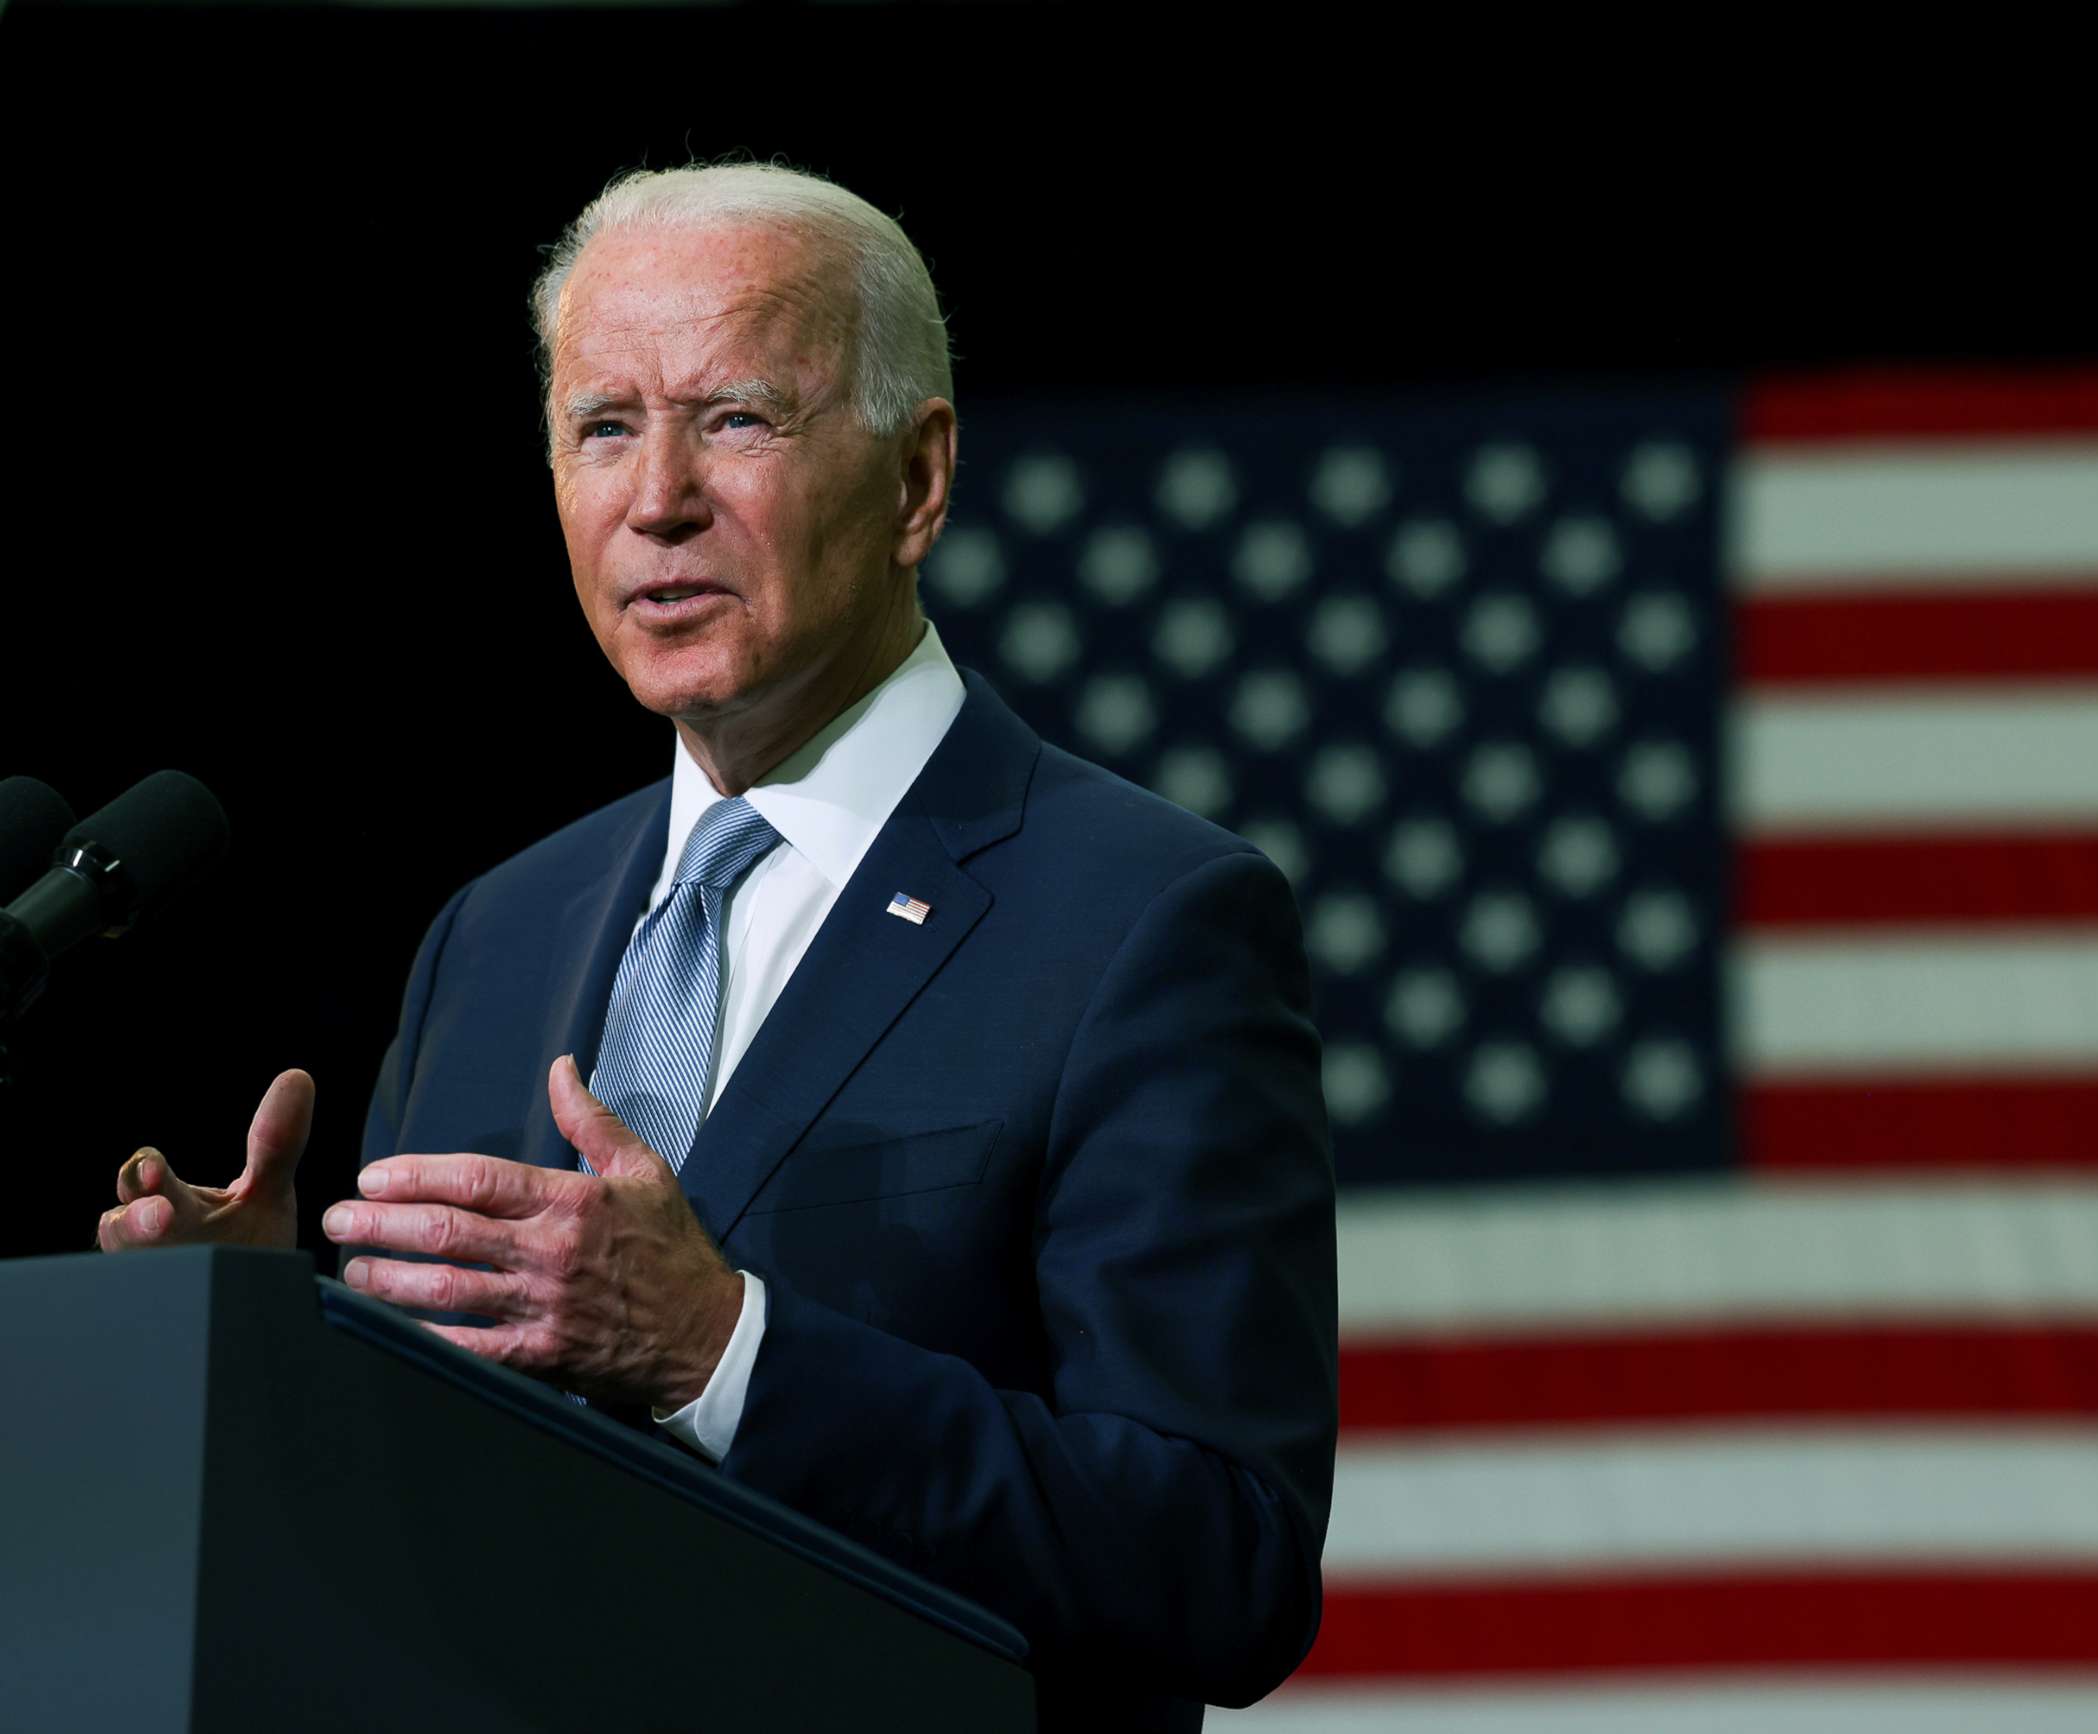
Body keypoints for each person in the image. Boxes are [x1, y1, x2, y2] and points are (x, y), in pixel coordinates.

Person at [93, 163, 1338, 1730]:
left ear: (917, 480)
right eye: (604, 426)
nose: (657, 497)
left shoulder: (1145, 919)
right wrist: (279, 1345)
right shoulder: (499, 928)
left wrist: (719, 1347)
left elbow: (1218, 1560)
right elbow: (440, 1521)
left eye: (736, 417)